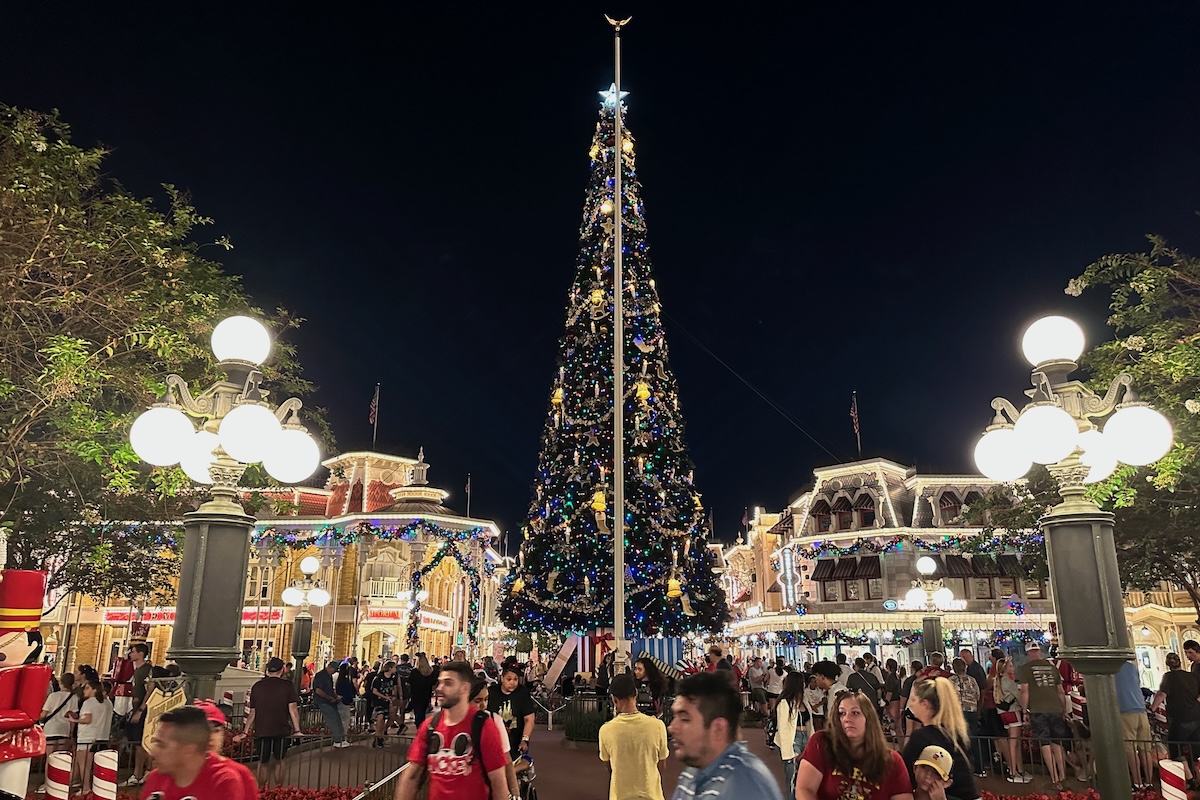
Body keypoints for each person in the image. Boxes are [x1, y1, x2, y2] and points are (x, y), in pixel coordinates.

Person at [394, 662, 509, 800]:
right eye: (439, 682)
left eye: (448, 683)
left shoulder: (484, 726)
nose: (440, 688)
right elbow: (412, 776)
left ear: (464, 688)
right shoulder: (430, 726)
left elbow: (498, 781)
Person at [667, 671, 781, 800]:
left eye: (684, 719)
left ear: (718, 729)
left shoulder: (744, 785)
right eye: (675, 716)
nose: (672, 727)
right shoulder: (693, 771)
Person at [796, 689, 913, 800]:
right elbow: (804, 789)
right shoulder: (821, 743)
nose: (847, 718)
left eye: (855, 713)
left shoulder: (893, 761)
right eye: (842, 713)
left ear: (869, 718)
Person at [141, 706, 256, 800]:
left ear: (188, 750)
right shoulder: (156, 778)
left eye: (162, 745)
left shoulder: (224, 780)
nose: (154, 753)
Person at [902, 677, 976, 800]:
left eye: (914, 699)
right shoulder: (958, 735)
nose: (911, 704)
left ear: (924, 704)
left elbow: (904, 774)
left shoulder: (921, 737)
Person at [599, 673, 668, 800]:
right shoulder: (657, 726)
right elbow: (661, 765)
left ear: (614, 699)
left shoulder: (606, 730)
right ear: (636, 693)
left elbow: (610, 767)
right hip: (651, 795)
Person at [242, 656, 301, 788]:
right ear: (282, 670)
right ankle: (278, 790)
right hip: (281, 730)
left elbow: (253, 712)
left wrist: (245, 731)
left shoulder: (257, 686)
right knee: (280, 760)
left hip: (262, 730)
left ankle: (262, 791)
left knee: (263, 762)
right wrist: (297, 730)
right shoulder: (287, 686)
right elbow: (293, 710)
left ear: (267, 671)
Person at [1018, 641, 1069, 790]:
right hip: (1055, 708)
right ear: (1039, 651)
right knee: (1057, 743)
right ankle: (1063, 777)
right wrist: (1063, 710)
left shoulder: (1025, 669)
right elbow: (1061, 691)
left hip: (1038, 710)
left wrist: (1024, 711)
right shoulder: (1052, 668)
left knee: (1045, 744)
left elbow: (1024, 692)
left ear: (1028, 653)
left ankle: (1054, 779)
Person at [470, 678, 521, 798]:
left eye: (486, 699)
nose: (483, 705)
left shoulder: (494, 720)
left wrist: (515, 794)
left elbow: (507, 760)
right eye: (478, 700)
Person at [1154, 651, 1200, 782]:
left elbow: (1162, 695)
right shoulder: (1191, 676)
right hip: (1196, 716)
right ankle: (1198, 777)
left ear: (1168, 665)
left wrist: (1151, 708)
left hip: (1180, 718)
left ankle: (1190, 779)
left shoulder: (1169, 677)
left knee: (1175, 747)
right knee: (1196, 750)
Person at [68, 678, 113, 795]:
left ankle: (86, 787)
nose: (84, 690)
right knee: (91, 764)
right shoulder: (107, 702)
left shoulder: (89, 703)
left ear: (94, 690)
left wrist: (75, 720)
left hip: (87, 737)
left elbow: (87, 719)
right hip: (102, 735)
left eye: (87, 688)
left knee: (85, 765)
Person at [118, 643, 154, 787]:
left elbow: (150, 688)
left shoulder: (146, 670)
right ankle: (143, 771)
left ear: (140, 654)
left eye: (133, 652)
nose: (130, 654)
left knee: (140, 742)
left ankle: (139, 772)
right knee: (136, 741)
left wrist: (141, 709)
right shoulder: (137, 670)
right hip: (136, 708)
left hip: (141, 710)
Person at [1117, 658, 1155, 790]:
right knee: (1145, 749)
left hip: (1125, 710)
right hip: (1140, 709)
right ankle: (1149, 783)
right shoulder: (1132, 667)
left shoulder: (1111, 668)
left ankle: (1137, 783)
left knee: (1130, 749)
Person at [992, 657, 1029, 783]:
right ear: (1005, 669)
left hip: (1004, 714)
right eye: (1011, 666)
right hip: (1013, 712)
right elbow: (1020, 697)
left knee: (1014, 741)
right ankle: (1014, 772)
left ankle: (1019, 770)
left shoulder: (999, 681)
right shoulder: (1009, 682)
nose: (1013, 667)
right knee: (1014, 742)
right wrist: (1025, 710)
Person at [489, 663, 536, 758]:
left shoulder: (522, 693)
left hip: (516, 742)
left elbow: (529, 719)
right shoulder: (491, 693)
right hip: (494, 742)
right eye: (509, 679)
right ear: (502, 678)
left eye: (515, 679)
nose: (512, 683)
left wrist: (525, 740)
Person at [776, 671, 812, 794]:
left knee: (805, 777)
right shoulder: (784, 702)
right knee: (792, 778)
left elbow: (810, 723)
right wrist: (788, 753)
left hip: (805, 738)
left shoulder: (804, 700)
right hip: (793, 740)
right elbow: (783, 729)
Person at [948, 658, 984, 778]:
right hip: (972, 712)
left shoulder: (951, 681)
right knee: (973, 739)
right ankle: (979, 768)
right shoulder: (972, 680)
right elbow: (978, 695)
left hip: (957, 713)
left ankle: (961, 768)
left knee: (958, 740)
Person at [312, 659, 348, 748]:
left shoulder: (328, 676)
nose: (334, 672)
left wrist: (335, 697)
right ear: (330, 667)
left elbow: (331, 689)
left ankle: (341, 739)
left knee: (337, 718)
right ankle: (337, 740)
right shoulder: (320, 675)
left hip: (329, 701)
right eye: (334, 670)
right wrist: (329, 697)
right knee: (333, 720)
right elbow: (318, 690)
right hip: (323, 701)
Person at [370, 660, 399, 747]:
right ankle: (378, 737)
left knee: (387, 719)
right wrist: (385, 697)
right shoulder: (378, 678)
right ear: (390, 668)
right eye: (394, 667)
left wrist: (394, 696)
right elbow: (374, 691)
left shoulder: (393, 678)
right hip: (378, 701)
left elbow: (394, 688)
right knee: (380, 717)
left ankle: (380, 736)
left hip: (388, 702)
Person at [409, 653, 436, 726]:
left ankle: (420, 727)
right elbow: (433, 683)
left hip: (416, 695)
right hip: (426, 695)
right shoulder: (430, 672)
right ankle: (422, 725)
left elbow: (410, 682)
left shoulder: (415, 672)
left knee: (418, 713)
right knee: (423, 712)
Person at [883, 659, 904, 741]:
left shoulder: (890, 677)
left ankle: (899, 747)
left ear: (888, 666)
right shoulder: (896, 676)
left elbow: (889, 692)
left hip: (892, 704)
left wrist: (885, 705)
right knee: (898, 727)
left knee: (894, 726)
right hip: (897, 702)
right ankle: (901, 747)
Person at [336, 662, 358, 740]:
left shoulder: (340, 679)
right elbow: (349, 691)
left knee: (342, 720)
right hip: (344, 702)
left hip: (341, 701)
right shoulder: (345, 681)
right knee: (345, 720)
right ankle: (342, 738)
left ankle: (340, 737)